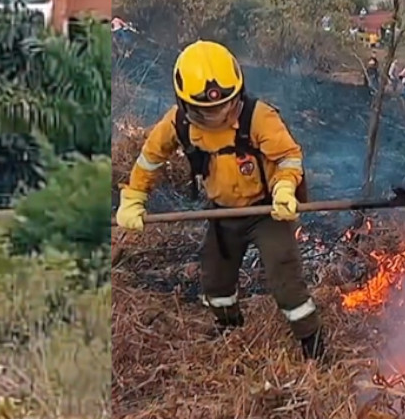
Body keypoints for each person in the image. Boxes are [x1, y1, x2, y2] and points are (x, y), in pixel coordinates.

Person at [115, 40, 324, 360]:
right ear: (184, 102)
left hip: (266, 210)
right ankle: (229, 325)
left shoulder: (259, 117)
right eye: (207, 110)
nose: (219, 113)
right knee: (215, 278)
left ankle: (312, 344)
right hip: (222, 212)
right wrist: (134, 196)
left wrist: (284, 189)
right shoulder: (177, 123)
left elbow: (288, 157)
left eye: (226, 105)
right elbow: (150, 158)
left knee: (285, 278)